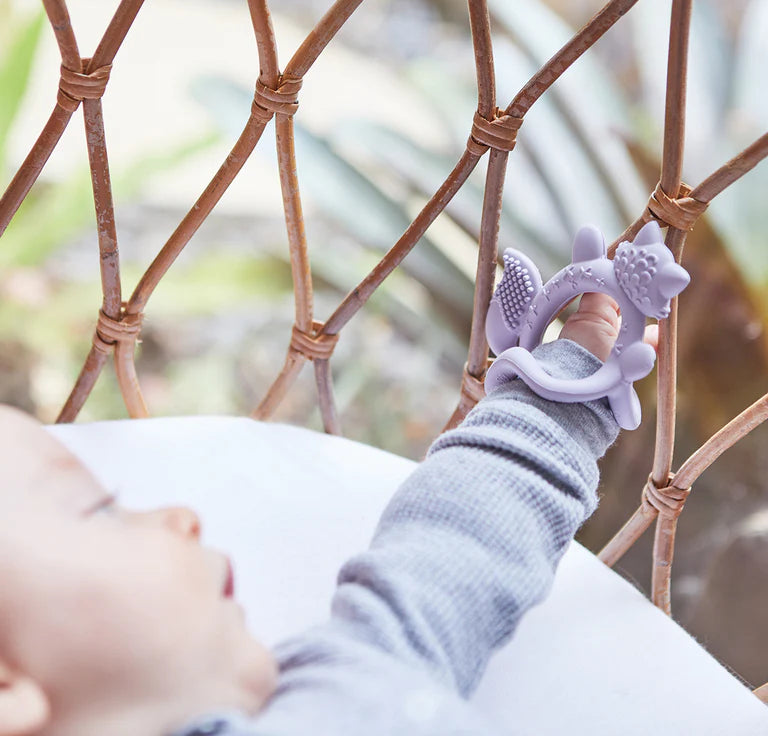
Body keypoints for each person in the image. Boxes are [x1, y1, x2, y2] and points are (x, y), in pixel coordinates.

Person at [0, 293, 650, 736]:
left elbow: (454, 548)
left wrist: (569, 378)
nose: (180, 515)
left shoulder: (348, 685)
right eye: (102, 510)